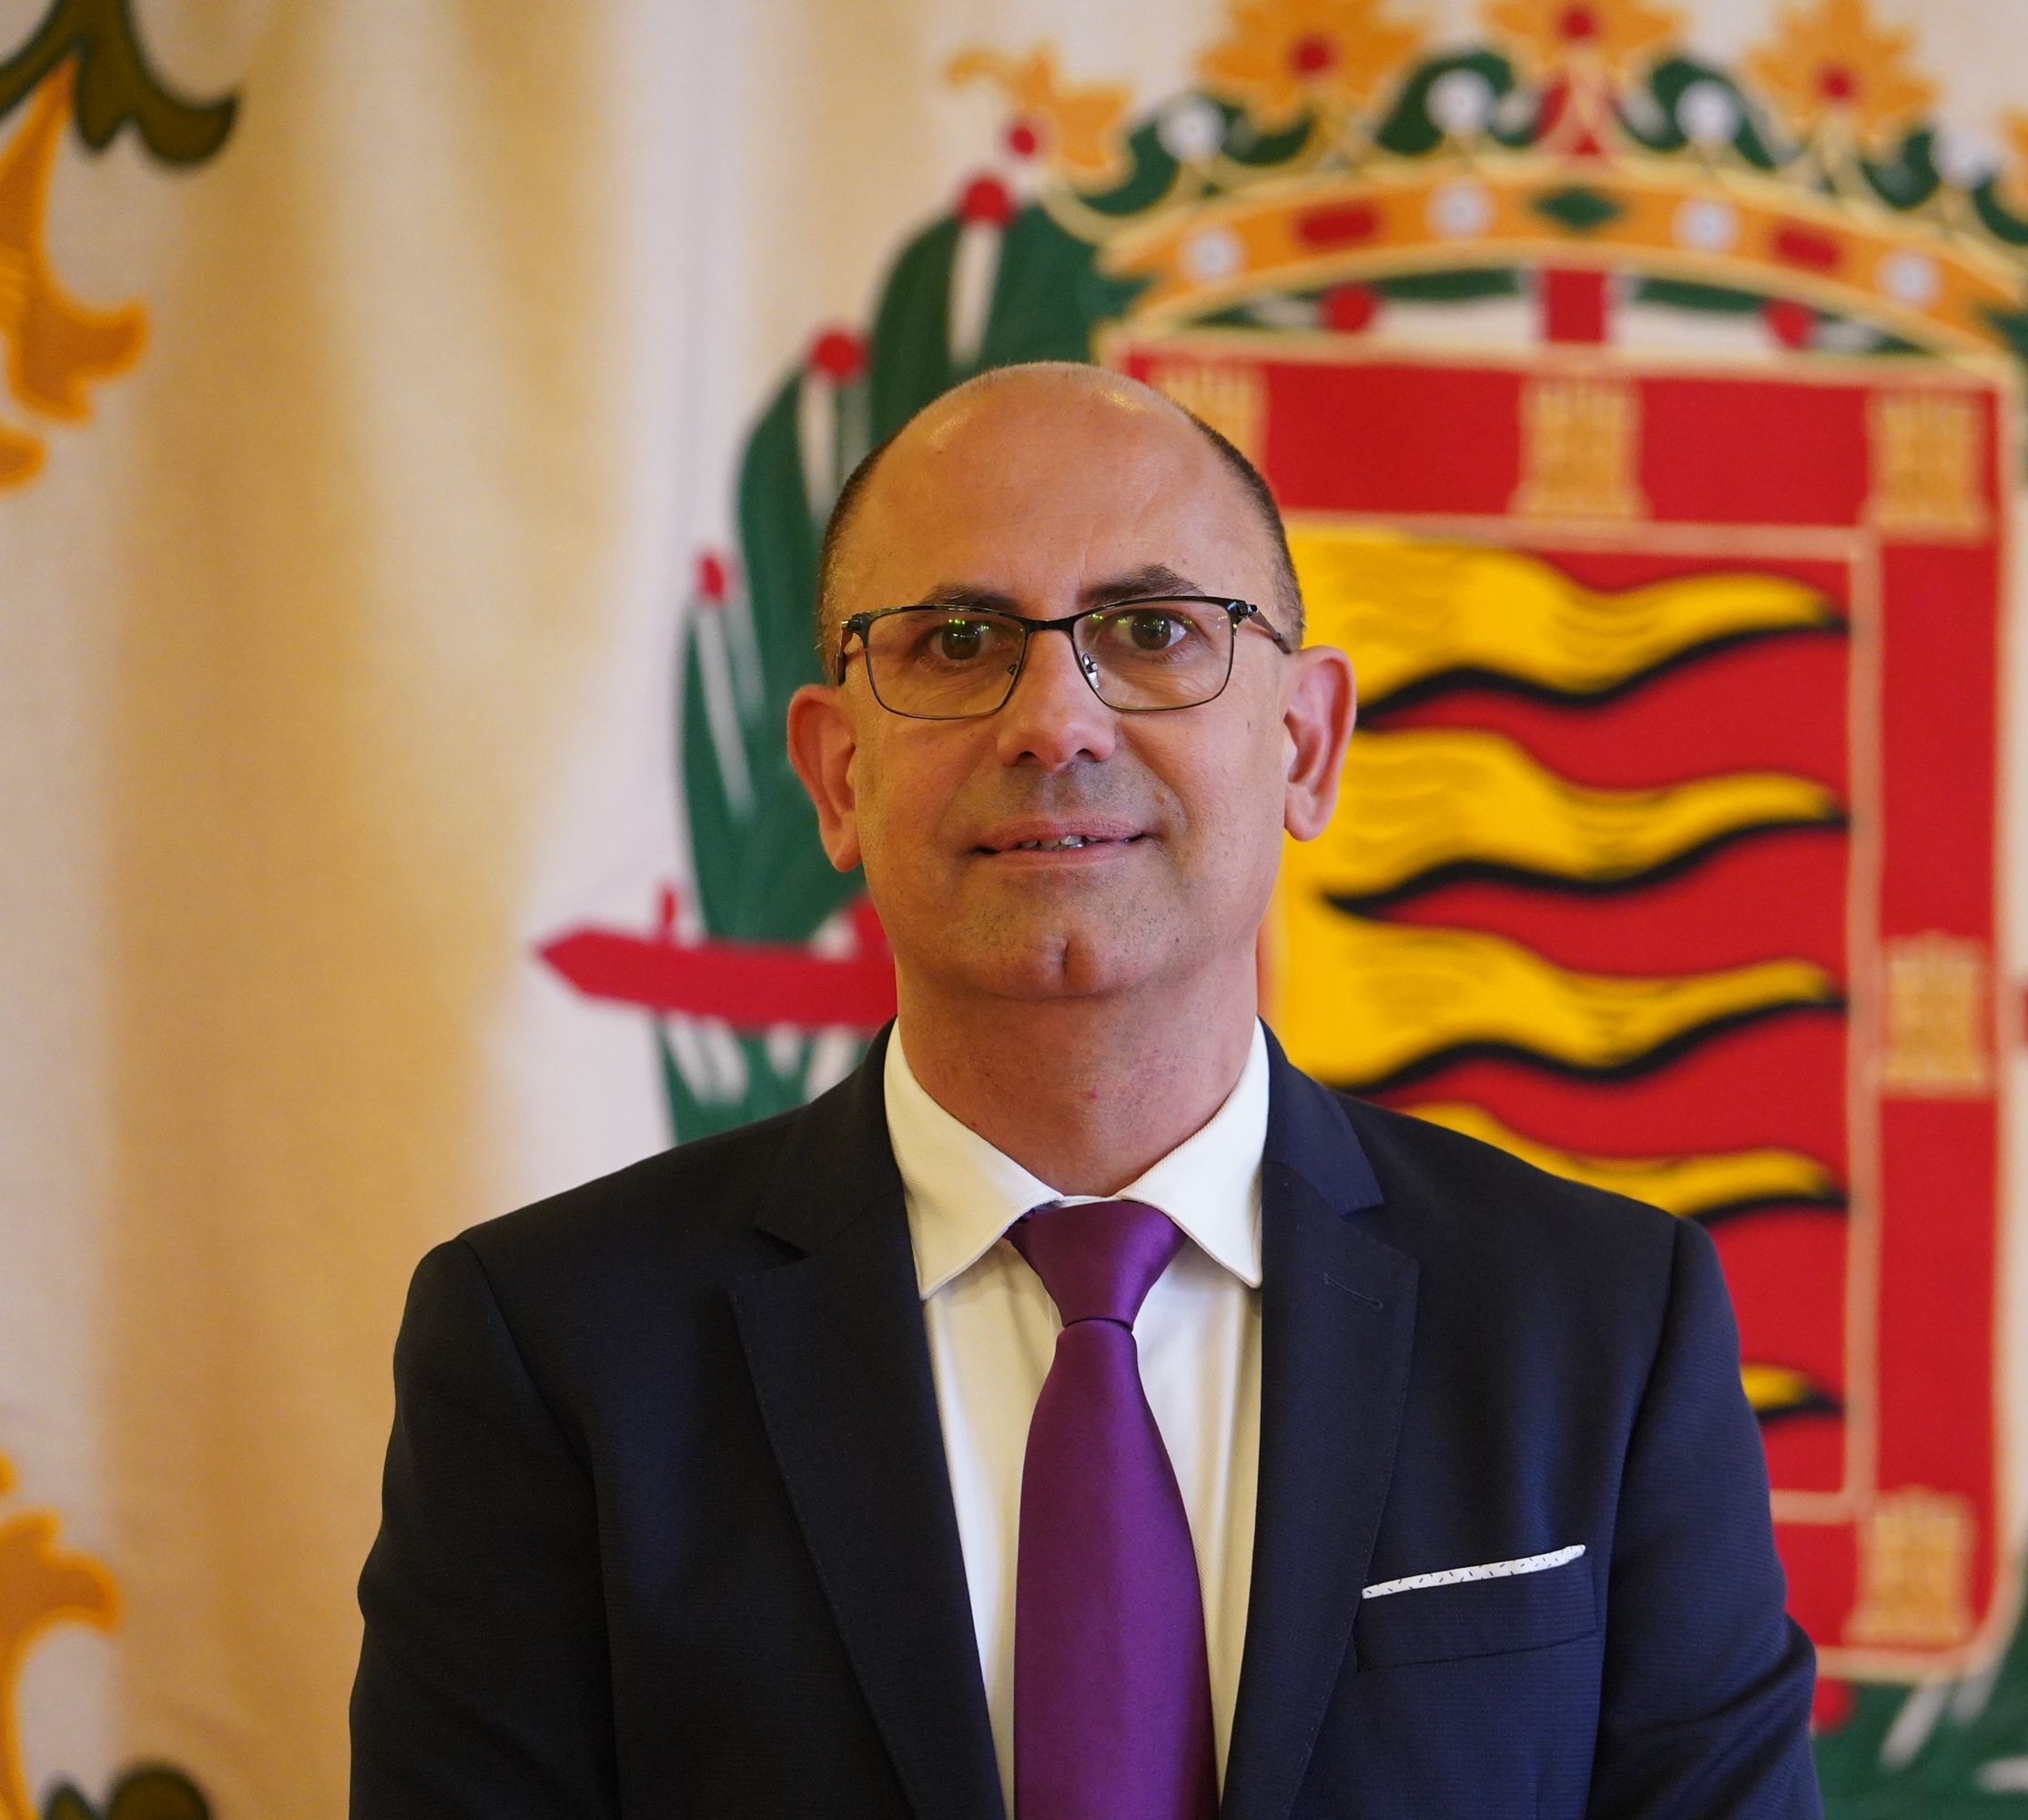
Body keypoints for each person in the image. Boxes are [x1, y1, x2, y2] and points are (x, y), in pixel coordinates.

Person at [350, 362, 1821, 1819]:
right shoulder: (554, 1350)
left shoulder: (1604, 1324)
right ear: (838, 775)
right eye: (956, 641)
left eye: (1153, 630)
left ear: (1305, 745)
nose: (1056, 720)